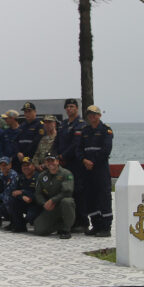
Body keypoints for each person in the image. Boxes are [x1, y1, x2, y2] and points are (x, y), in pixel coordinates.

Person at [79, 105, 113, 237]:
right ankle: (96, 224)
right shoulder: (85, 131)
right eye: (89, 114)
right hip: (87, 170)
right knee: (90, 196)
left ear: (99, 115)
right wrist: (84, 160)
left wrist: (93, 162)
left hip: (100, 169)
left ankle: (106, 227)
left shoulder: (106, 130)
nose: (92, 116)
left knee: (103, 197)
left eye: (94, 114)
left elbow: (106, 149)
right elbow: (79, 149)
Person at [56, 98, 86, 230]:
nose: (69, 109)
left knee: (78, 192)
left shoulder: (81, 124)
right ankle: (70, 221)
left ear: (77, 108)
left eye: (72, 106)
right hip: (63, 164)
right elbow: (57, 142)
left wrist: (63, 156)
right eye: (67, 107)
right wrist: (56, 156)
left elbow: (76, 144)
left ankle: (82, 222)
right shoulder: (63, 124)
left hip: (75, 164)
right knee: (66, 191)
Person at [34, 154, 75, 238]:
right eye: (47, 161)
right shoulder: (42, 176)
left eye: (52, 160)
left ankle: (66, 229)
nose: (50, 163)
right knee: (39, 230)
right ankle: (60, 225)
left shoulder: (66, 174)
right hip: (51, 207)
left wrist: (53, 200)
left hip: (62, 204)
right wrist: (44, 204)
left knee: (67, 201)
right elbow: (38, 193)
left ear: (57, 161)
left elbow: (67, 192)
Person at [6, 157, 40, 233]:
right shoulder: (20, 178)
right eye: (23, 166)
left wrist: (23, 192)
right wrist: (22, 196)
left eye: (28, 165)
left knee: (30, 216)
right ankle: (19, 226)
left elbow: (39, 194)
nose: (25, 167)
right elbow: (14, 192)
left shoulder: (39, 178)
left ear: (33, 166)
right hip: (24, 202)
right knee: (12, 201)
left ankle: (34, 222)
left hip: (36, 204)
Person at [0, 156, 19, 228]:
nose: (3, 167)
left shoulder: (13, 175)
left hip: (15, 200)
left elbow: (8, 192)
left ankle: (14, 221)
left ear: (10, 165)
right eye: (1, 165)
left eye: (5, 165)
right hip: (2, 198)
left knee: (7, 199)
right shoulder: (1, 175)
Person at [15, 102, 44, 171]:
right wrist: (18, 152)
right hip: (21, 159)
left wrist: (24, 154)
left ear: (35, 112)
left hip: (33, 159)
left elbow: (36, 142)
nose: (27, 114)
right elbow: (15, 141)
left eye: (29, 111)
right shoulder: (22, 126)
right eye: (25, 112)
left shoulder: (40, 125)